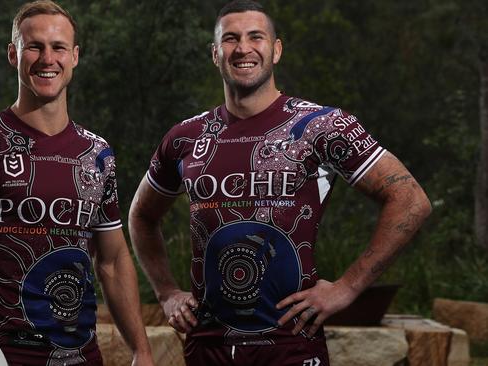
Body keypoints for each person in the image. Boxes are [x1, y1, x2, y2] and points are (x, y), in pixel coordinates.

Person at [128, 0, 431, 365]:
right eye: (230, 39)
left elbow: (410, 199)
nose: (243, 48)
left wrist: (348, 287)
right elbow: (142, 216)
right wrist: (166, 293)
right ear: (215, 54)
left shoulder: (321, 126)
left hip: (291, 345)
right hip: (208, 348)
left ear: (276, 49)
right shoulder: (186, 137)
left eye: (256, 37)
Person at [0, 1, 154, 365]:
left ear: (74, 56)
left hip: (82, 355)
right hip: (4, 353)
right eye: (34, 46)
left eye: (58, 47)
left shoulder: (98, 153)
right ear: (14, 54)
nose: (47, 58)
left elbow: (113, 259)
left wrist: (141, 349)